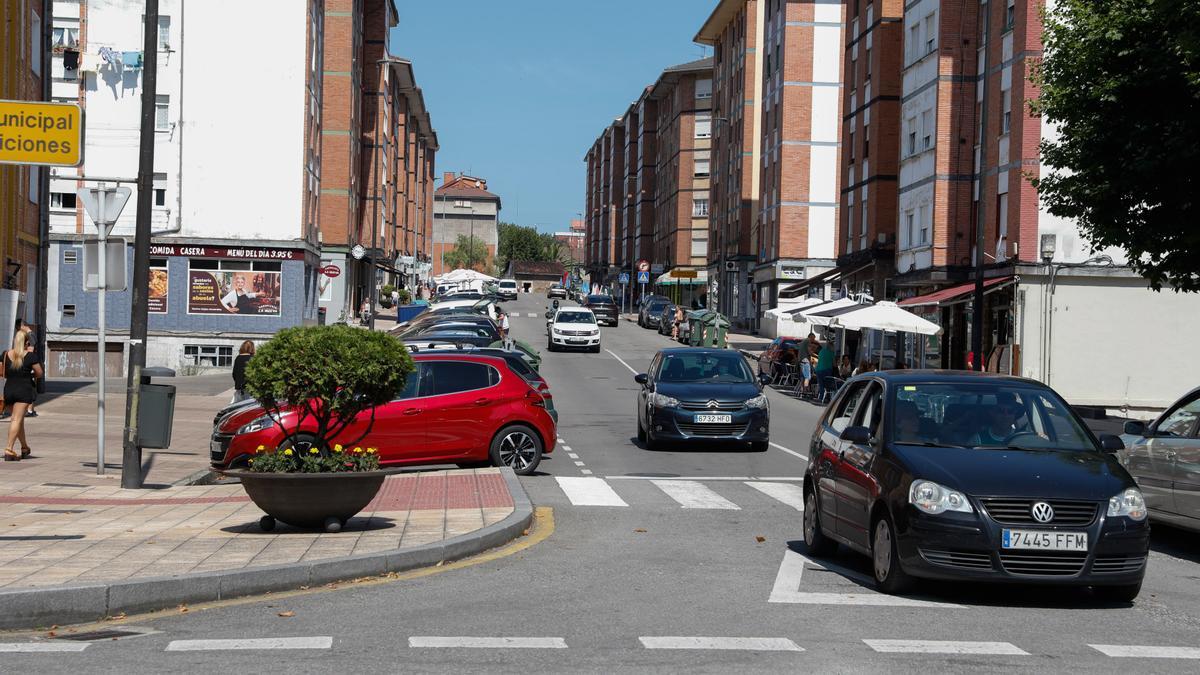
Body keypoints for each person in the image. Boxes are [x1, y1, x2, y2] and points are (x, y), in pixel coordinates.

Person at [3, 331, 41, 461]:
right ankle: (9, 449)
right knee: (16, 420)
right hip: (23, 390)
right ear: (26, 343)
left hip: (9, 389)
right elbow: (39, 373)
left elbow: (1, 371)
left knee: (18, 421)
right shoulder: (30, 356)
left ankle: (24, 447)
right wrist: (30, 376)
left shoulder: (6, 354)